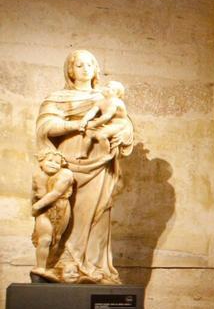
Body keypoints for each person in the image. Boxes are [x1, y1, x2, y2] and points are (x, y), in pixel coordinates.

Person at [34, 49, 136, 283]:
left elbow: (124, 123)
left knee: (98, 215)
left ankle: (94, 265)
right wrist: (75, 126)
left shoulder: (106, 97)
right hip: (69, 161)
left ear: (96, 69)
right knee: (66, 211)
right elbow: (45, 126)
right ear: (70, 70)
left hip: (102, 166)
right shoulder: (57, 98)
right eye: (79, 65)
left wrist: (124, 134)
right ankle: (64, 264)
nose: (85, 68)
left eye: (90, 64)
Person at [30, 150, 75, 281]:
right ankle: (40, 267)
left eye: (57, 162)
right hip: (44, 210)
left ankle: (48, 266)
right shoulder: (37, 175)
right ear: (41, 162)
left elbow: (56, 193)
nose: (54, 164)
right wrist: (34, 206)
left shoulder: (66, 174)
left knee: (56, 239)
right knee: (45, 239)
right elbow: (33, 193)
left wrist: (37, 206)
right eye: (50, 160)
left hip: (61, 207)